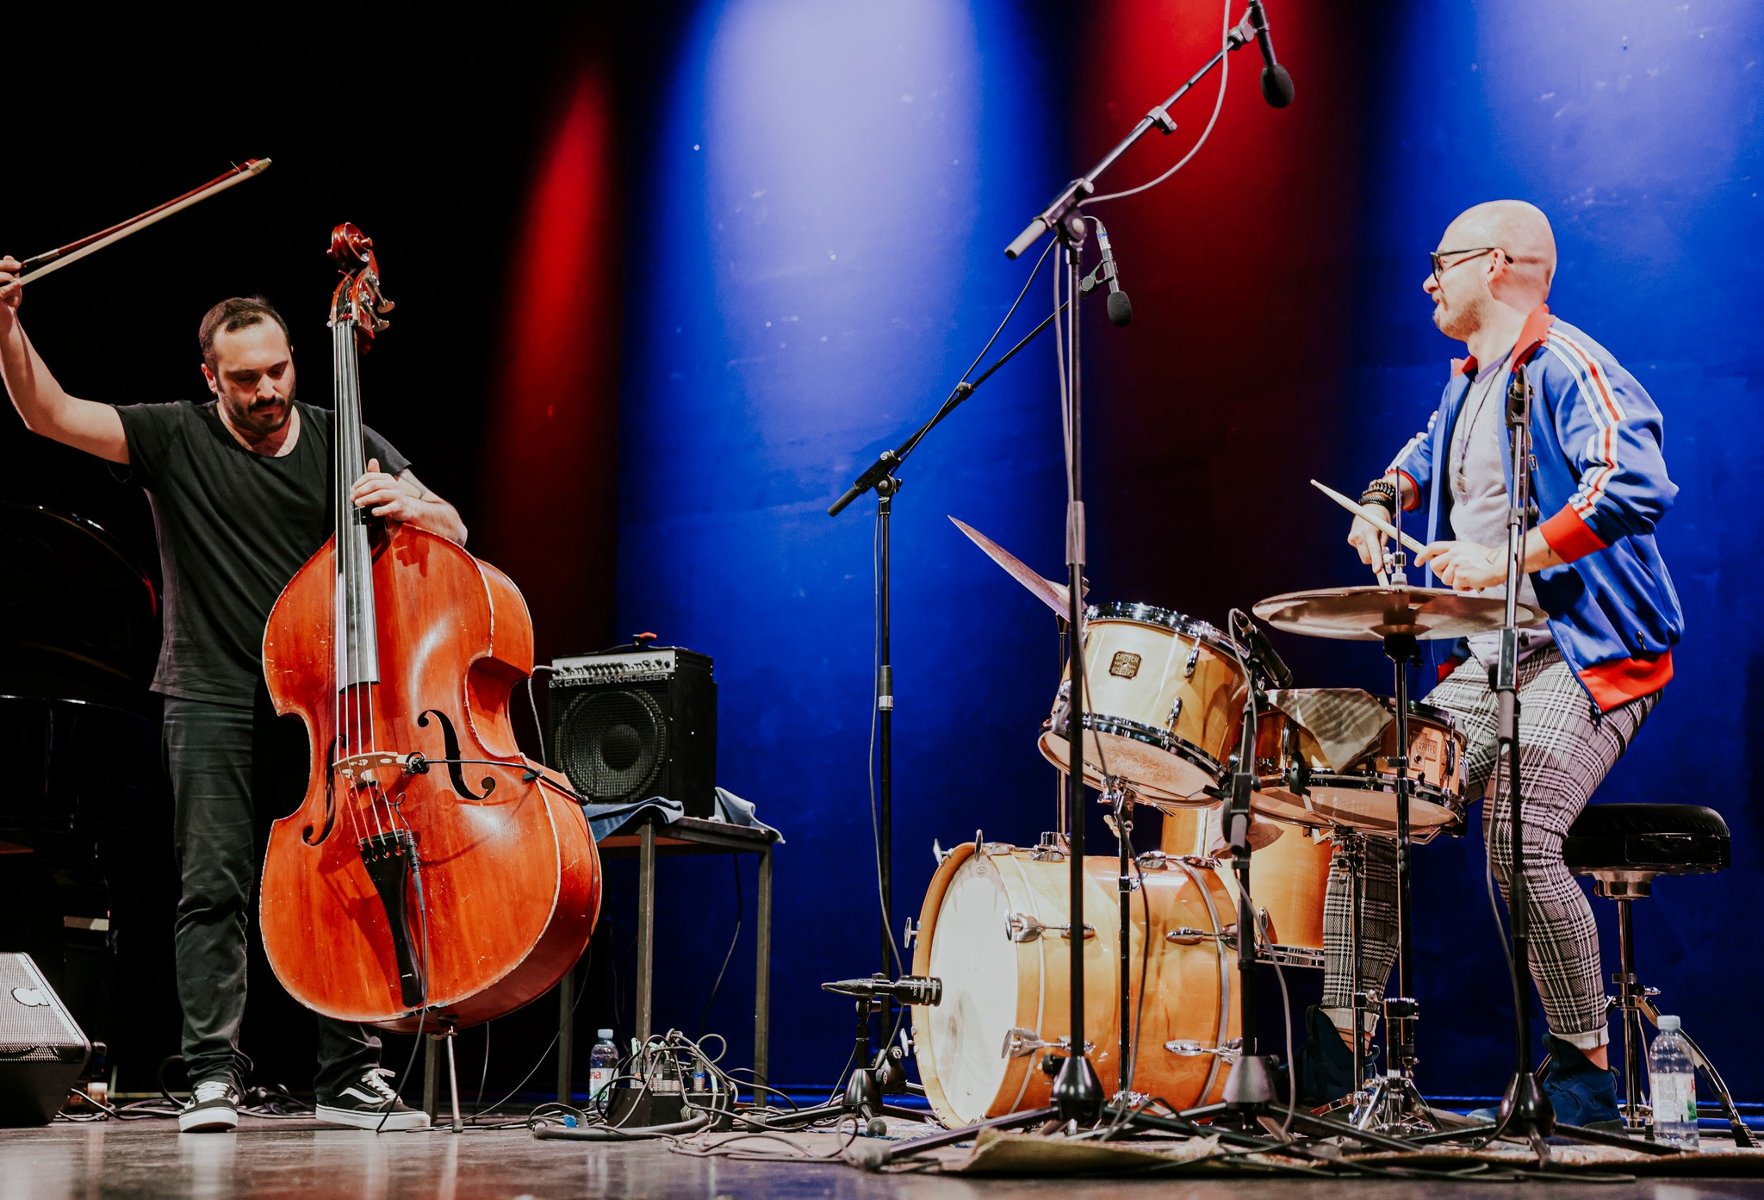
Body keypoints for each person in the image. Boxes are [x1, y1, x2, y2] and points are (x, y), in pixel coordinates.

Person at [0, 255, 467, 1133]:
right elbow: (48, 414)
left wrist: (412, 507)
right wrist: (6, 327)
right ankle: (212, 1071)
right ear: (209, 376)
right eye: (245, 378)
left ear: (296, 357)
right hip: (209, 688)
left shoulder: (341, 433)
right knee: (211, 884)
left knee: (348, 875)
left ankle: (351, 1072)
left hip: (330, 701)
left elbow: (455, 524)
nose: (267, 391)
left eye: (279, 370)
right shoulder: (175, 436)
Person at [1294, 201, 1681, 1126]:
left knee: (1517, 834)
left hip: (1586, 654)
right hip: (1486, 658)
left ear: (1498, 263)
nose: (1428, 279)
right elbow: (1430, 452)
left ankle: (1583, 1070)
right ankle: (1339, 1062)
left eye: (1441, 262)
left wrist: (1511, 560)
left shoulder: (1569, 366)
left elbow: (1633, 484)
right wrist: (1383, 495)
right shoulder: (1470, 378)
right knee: (1372, 814)